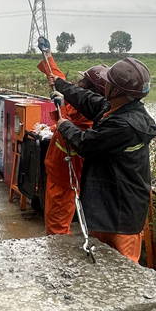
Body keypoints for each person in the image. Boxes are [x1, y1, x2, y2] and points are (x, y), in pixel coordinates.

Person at [50, 57, 156, 262]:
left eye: (109, 82)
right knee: (99, 264)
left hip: (121, 214)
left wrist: (64, 125)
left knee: (123, 268)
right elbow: (88, 100)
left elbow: (86, 144)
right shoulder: (117, 108)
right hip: (107, 207)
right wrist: (60, 84)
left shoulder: (126, 125)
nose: (105, 85)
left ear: (117, 90)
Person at [36, 49, 107, 235]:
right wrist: (48, 57)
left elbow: (72, 128)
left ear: (91, 89)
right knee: (56, 221)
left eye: (83, 81)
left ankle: (61, 258)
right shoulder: (85, 104)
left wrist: (63, 105)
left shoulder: (90, 115)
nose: (78, 83)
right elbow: (61, 82)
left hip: (65, 176)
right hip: (59, 172)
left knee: (57, 227)